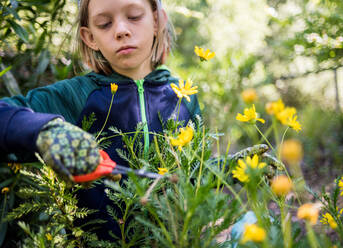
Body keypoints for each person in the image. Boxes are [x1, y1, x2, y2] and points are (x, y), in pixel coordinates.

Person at [0, 0, 201, 240]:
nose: (121, 30)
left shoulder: (184, 97)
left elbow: (196, 176)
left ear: (157, 20)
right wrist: (43, 131)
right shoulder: (75, 96)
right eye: (105, 23)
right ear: (89, 37)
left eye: (134, 16)